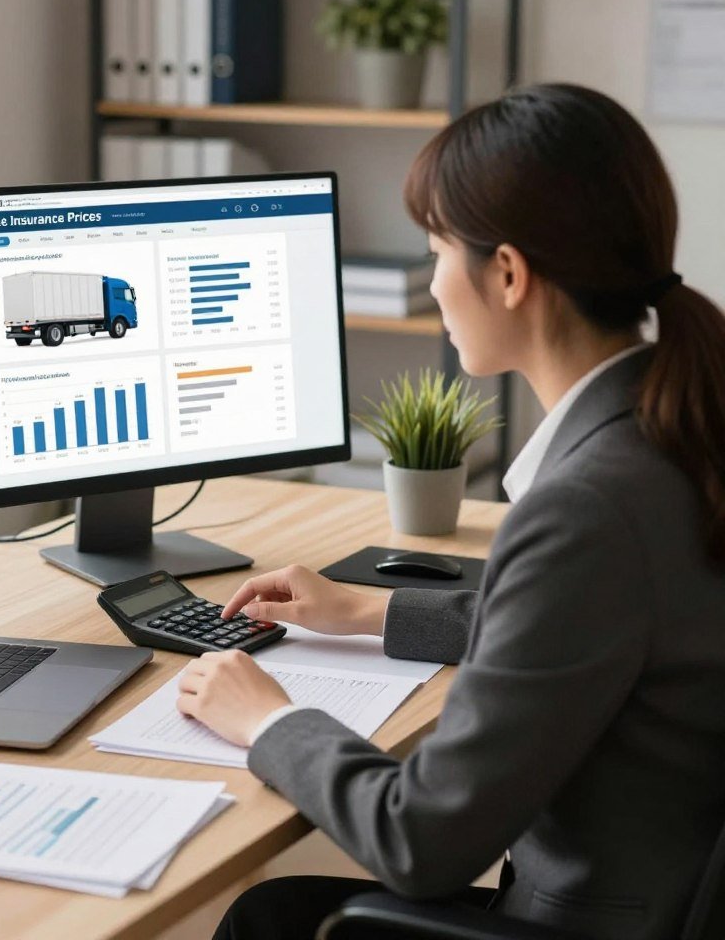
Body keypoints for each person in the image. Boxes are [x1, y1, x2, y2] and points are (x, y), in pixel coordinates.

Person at [175, 83, 725, 940]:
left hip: (594, 922)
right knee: (274, 911)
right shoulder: (678, 427)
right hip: (661, 891)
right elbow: (584, 626)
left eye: (436, 251)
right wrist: (369, 610)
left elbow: (421, 837)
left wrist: (270, 719)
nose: (432, 282)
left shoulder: (588, 506)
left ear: (507, 274)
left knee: (270, 922)